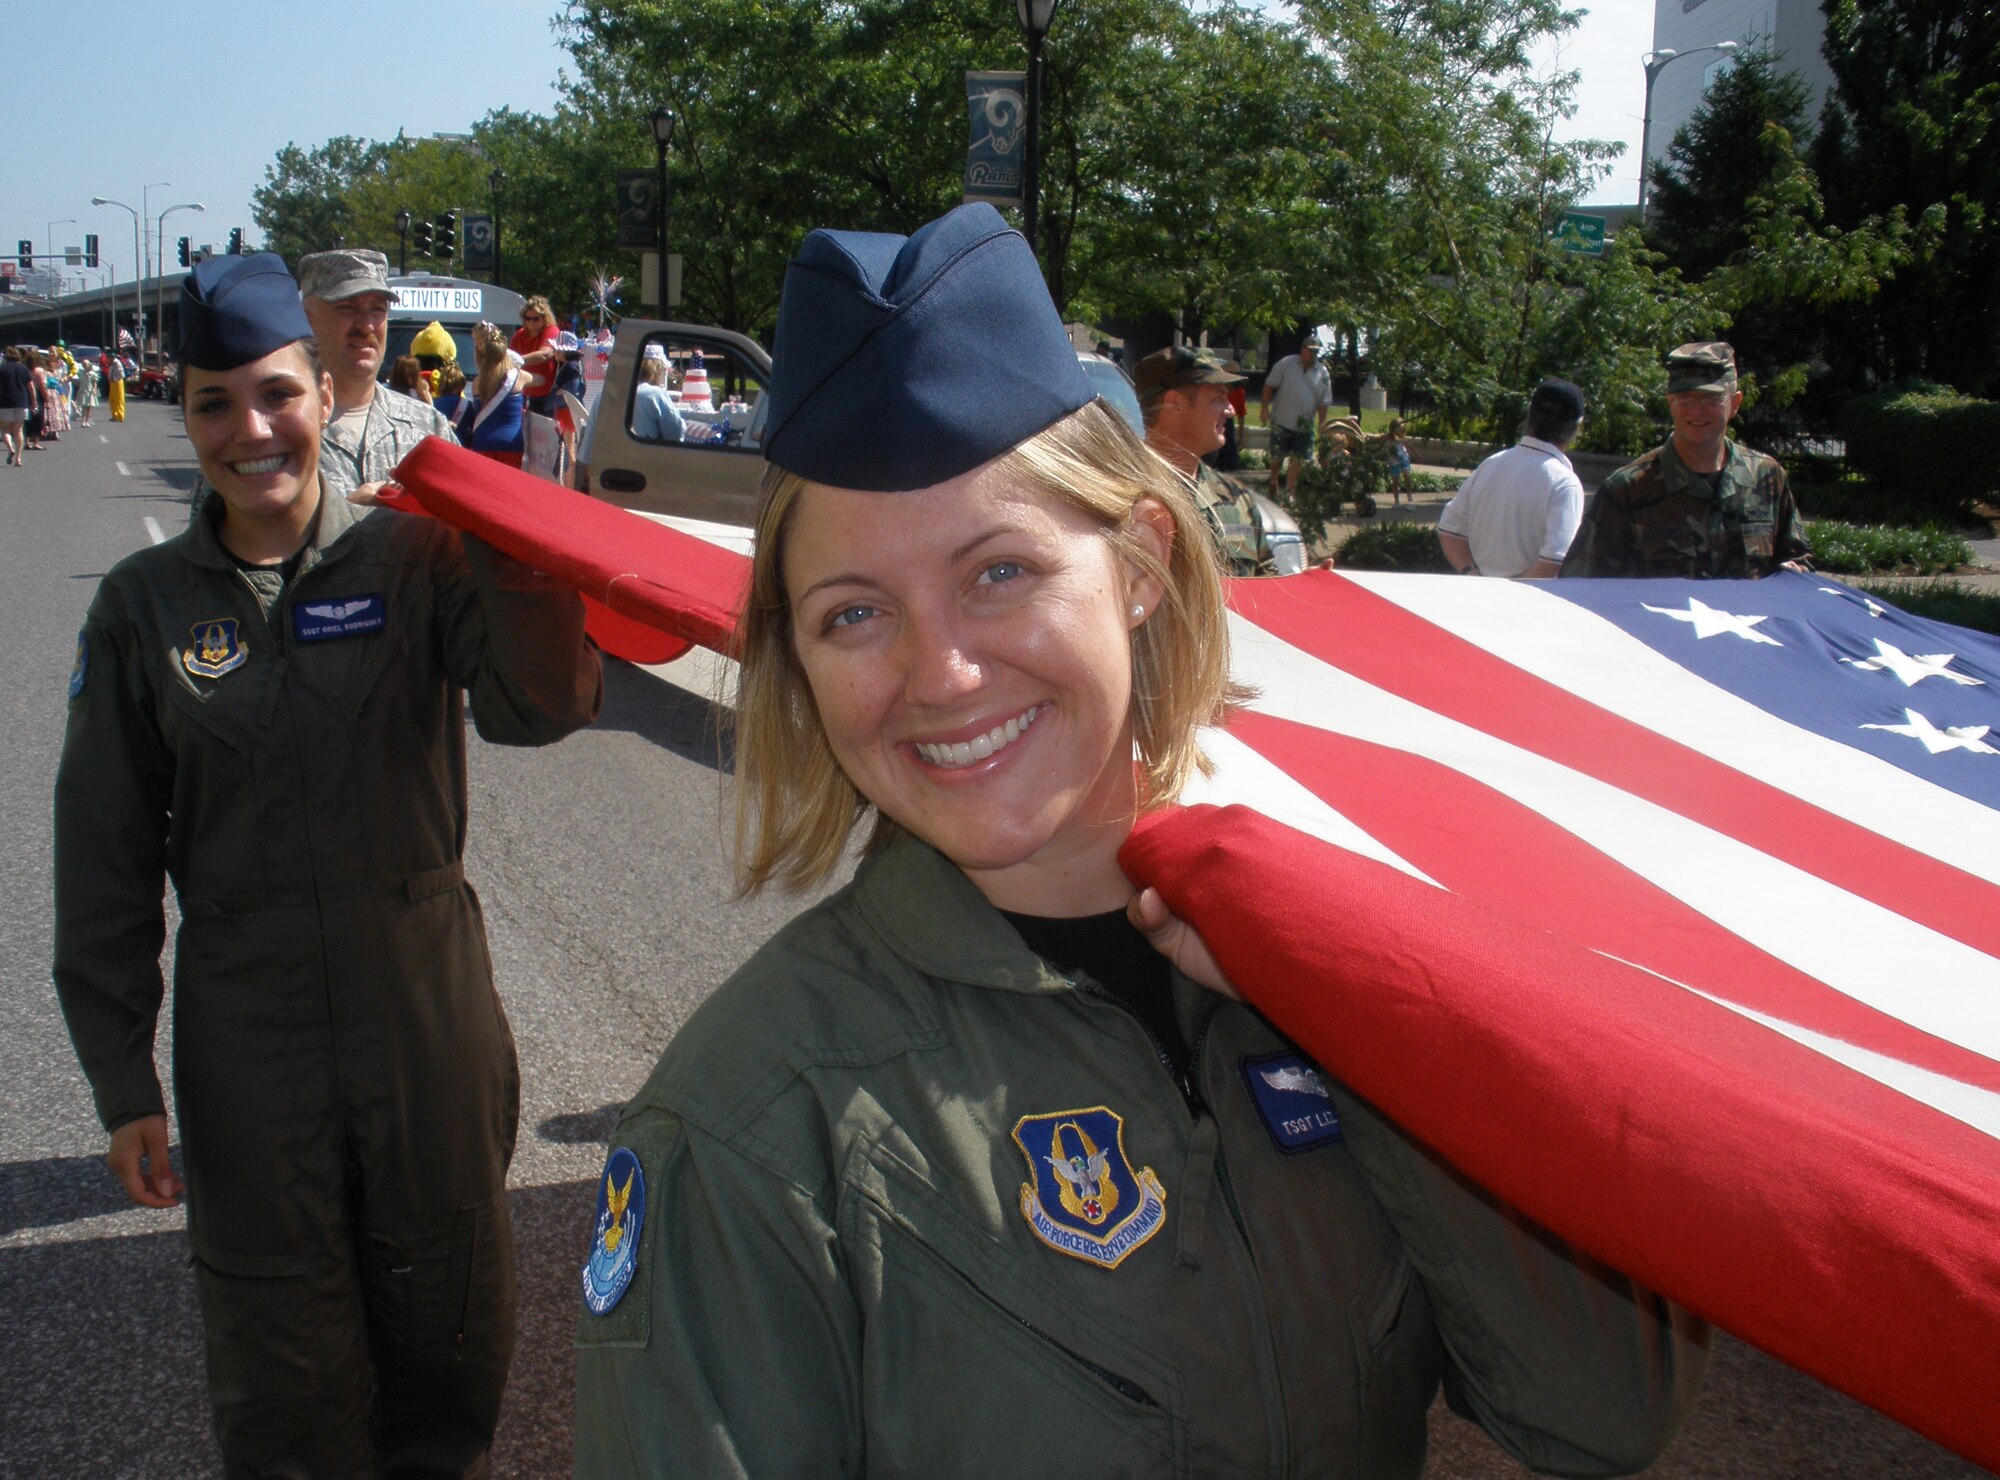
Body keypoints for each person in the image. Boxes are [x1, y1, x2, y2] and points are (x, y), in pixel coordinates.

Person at [571, 202, 1707, 1477]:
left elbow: (1598, 1411)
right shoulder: (752, 1122)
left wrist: (1368, 1019)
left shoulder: (1320, 973)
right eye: (851, 614)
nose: (938, 673)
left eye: (998, 571)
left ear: (1139, 563)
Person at [52, 252, 603, 1475]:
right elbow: (103, 854)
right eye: (211, 403)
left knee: (448, 1344)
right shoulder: (141, 609)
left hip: (422, 1014)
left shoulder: (414, 563)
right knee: (280, 1364)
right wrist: (122, 1079)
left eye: (275, 395)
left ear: (320, 392)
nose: (250, 432)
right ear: (182, 412)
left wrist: (520, 544)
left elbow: (537, 708)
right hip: (248, 1038)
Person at [1562, 342, 1809, 579]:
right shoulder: (1627, 490)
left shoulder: (1766, 478)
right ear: (1671, 403)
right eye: (1685, 399)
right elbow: (1581, 588)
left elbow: (1798, 566)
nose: (1697, 411)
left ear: (1734, 403)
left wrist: (1793, 571)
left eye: (1711, 399)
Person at [297, 248, 457, 498]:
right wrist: (350, 512)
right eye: (346, 308)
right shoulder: (283, 431)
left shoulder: (428, 427)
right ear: (309, 318)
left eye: (378, 309)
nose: (367, 325)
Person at [1134, 343, 1267, 575]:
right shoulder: (1117, 498)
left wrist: (1314, 585)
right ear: (1175, 402)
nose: (1230, 410)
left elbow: (1269, 582)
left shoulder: (1236, 498)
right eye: (1218, 398)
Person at [1437, 379, 1588, 578]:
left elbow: (1448, 529)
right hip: (1528, 603)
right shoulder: (1564, 483)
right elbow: (1554, 561)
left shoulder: (1491, 464)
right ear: (1577, 428)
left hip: (1479, 595)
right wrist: (1512, 594)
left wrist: (1472, 574)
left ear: (1528, 416)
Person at [1260, 336, 1332, 500]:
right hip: (1282, 419)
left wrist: (1322, 423)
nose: (1313, 354)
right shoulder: (1286, 364)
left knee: (1296, 458)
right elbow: (1269, 385)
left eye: (1316, 351)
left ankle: (1290, 491)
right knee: (1277, 456)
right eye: (1311, 350)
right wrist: (1264, 408)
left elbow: (1324, 401)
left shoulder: (1322, 372)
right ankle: (1273, 482)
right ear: (1303, 349)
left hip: (1304, 424)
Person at [509, 295, 562, 415]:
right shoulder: (519, 335)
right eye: (528, 318)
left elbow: (545, 354)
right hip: (524, 395)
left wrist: (516, 360)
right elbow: (509, 359)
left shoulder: (551, 330)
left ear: (545, 318)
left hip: (547, 396)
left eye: (536, 318)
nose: (531, 321)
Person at [629, 344, 688, 444]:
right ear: (656, 370)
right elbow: (675, 433)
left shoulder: (605, 394)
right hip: (646, 456)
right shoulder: (654, 394)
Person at [0, 347, 31, 465]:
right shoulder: (23, 369)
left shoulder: (2, 368)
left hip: (5, 402)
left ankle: (10, 448)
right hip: (21, 401)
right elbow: (31, 386)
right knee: (18, 430)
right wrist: (34, 402)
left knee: (5, 429)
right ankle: (18, 458)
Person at [1384, 415, 1414, 504]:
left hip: (1403, 458)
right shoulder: (1388, 437)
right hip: (1393, 461)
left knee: (1407, 476)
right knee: (1395, 481)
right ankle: (1396, 501)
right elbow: (1381, 443)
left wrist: (1417, 455)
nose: (1400, 432)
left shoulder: (1402, 437)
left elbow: (1410, 447)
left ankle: (1409, 497)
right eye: (1398, 429)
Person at [73, 352, 98, 427]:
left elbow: (95, 383)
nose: (85, 365)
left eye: (86, 364)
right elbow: (78, 381)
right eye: (83, 364)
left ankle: (87, 420)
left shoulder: (93, 374)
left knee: (89, 406)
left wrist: (94, 390)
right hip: (83, 390)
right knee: (84, 406)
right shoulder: (81, 373)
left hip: (90, 391)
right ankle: (83, 421)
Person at [105, 348, 127, 422]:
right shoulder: (112, 363)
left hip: (117, 383)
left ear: (112, 357)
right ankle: (114, 415)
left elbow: (121, 374)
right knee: (112, 400)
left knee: (119, 400)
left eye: (108, 357)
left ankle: (120, 416)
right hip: (112, 383)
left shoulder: (117, 363)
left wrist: (115, 379)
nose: (108, 359)